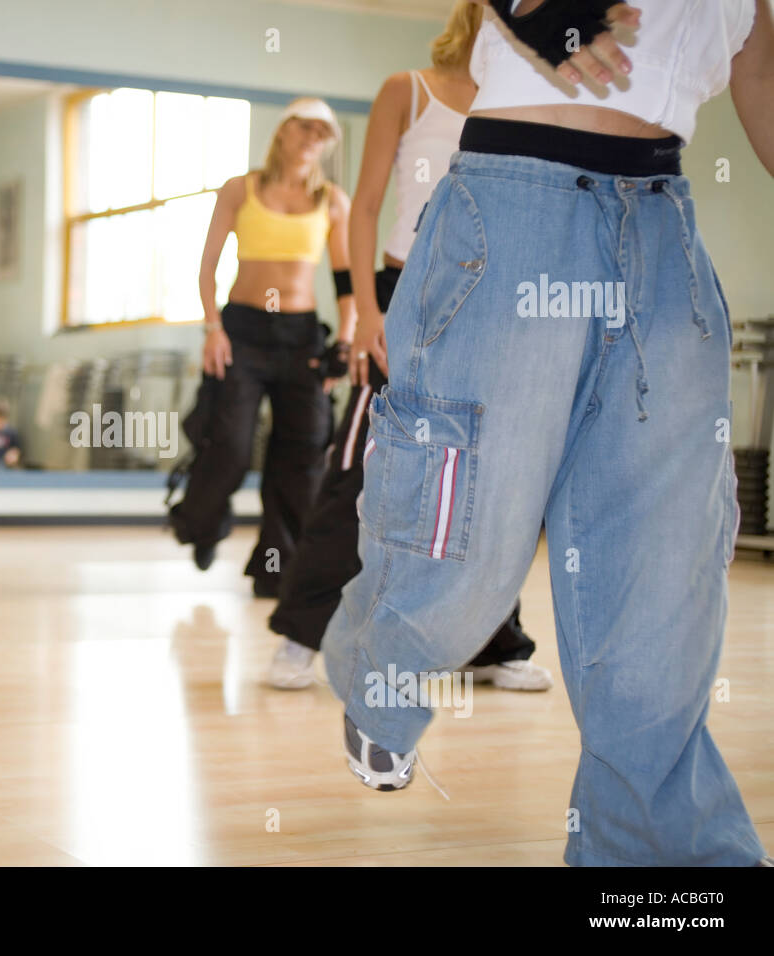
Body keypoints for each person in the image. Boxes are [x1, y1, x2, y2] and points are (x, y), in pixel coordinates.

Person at [324, 0, 772, 866]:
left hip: (662, 226)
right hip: (512, 205)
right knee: (468, 533)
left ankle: (653, 861)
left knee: (661, 573)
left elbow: (761, 80)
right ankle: (385, 671)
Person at [266, 2, 551, 694]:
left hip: (485, 299)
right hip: (402, 293)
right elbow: (363, 206)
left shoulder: (522, 102)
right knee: (359, 467)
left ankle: (492, 641)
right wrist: (366, 311)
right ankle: (302, 636)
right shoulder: (408, 89)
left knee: (487, 476)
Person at [168, 98, 354, 598]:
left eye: (322, 132)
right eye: (305, 127)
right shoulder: (240, 189)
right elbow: (207, 267)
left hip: (301, 338)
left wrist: (345, 342)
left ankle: (278, 567)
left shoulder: (332, 201)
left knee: (302, 453)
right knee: (227, 444)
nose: (312, 138)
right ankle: (201, 527)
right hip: (243, 333)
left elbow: (346, 281)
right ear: (283, 131)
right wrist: (213, 328)